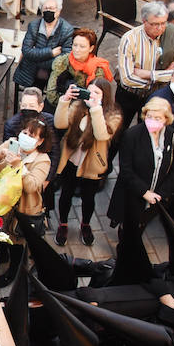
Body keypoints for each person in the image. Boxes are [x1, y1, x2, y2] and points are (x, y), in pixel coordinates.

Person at [52, 78, 121, 245]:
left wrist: (96, 109)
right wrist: (65, 101)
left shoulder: (113, 115)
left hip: (92, 164)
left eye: (97, 93)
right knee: (65, 194)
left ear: (105, 96)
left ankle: (85, 224)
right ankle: (63, 224)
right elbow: (59, 124)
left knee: (88, 198)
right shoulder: (77, 107)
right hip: (71, 160)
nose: (92, 95)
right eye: (89, 91)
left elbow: (102, 135)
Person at [109, 96, 174, 234]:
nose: (152, 121)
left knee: (142, 223)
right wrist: (144, 192)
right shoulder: (131, 135)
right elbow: (126, 169)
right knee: (129, 227)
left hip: (158, 196)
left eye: (157, 118)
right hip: (134, 194)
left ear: (166, 119)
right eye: (149, 116)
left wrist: (160, 194)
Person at [117, 1, 174, 126]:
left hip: (156, 96)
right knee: (120, 129)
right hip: (130, 94)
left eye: (163, 23)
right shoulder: (129, 39)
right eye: (155, 24)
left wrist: (148, 74)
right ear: (144, 21)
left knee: (146, 129)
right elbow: (127, 79)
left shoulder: (171, 36)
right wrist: (162, 77)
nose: (160, 28)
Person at [0, 117, 52, 231]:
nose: (26, 137)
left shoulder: (43, 160)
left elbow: (31, 187)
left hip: (18, 211)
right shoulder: (11, 144)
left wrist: (19, 166)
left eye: (31, 136)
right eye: (25, 133)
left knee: (13, 244)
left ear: (40, 141)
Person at [16, 0, 76, 90]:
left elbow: (65, 57)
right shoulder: (34, 25)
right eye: (45, 8)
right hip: (31, 69)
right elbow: (26, 51)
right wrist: (51, 53)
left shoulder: (67, 29)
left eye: (52, 8)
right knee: (35, 86)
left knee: (52, 86)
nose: (48, 11)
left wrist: (36, 58)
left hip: (54, 70)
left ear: (59, 11)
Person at [3, 87, 60, 171]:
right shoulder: (11, 125)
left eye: (31, 106)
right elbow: (9, 151)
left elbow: (54, 151)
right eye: (24, 105)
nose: (27, 109)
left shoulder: (49, 121)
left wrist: (48, 179)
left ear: (41, 106)